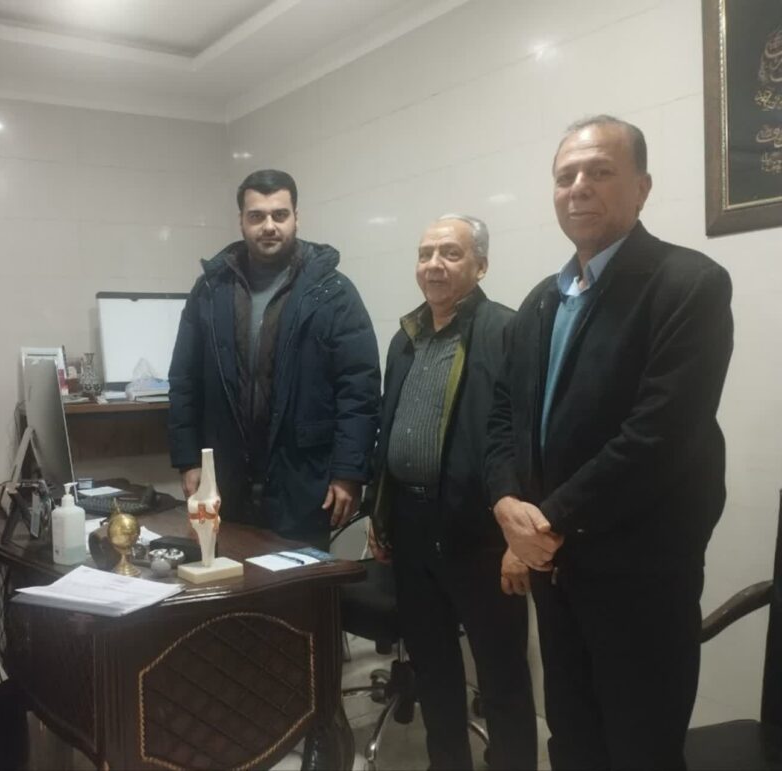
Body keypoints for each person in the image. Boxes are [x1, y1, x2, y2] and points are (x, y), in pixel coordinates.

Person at [485, 116, 734, 769]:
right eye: (565, 176)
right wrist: (505, 502)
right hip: (557, 572)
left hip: (640, 576)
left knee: (640, 749)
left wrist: (545, 521)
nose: (579, 187)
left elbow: (660, 434)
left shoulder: (688, 285)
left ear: (642, 188)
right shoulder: (540, 303)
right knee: (572, 740)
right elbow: (504, 417)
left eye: (600, 172)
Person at [366, 215, 536, 770]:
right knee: (434, 671)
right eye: (425, 254)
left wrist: (518, 542)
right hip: (412, 529)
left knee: (502, 676)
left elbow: (526, 440)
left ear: (480, 266)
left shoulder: (507, 331)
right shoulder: (405, 339)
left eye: (450, 253)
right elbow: (390, 428)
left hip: (481, 533)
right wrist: (380, 513)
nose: (433, 265)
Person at [168, 169, 380, 546]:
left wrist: (349, 472)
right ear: (241, 221)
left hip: (305, 478)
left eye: (279, 215)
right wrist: (188, 460)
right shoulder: (211, 290)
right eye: (257, 216)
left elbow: (359, 388)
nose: (269, 226)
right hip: (225, 478)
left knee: (299, 579)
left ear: (297, 217)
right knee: (230, 572)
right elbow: (185, 380)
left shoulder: (333, 292)